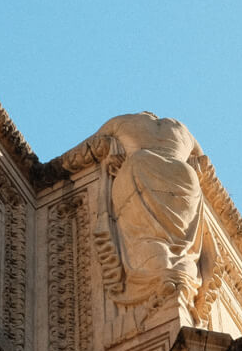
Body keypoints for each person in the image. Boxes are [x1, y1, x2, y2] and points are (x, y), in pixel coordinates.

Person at [61, 112, 206, 309]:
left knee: (146, 239)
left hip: (141, 167)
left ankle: (161, 280)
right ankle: (180, 280)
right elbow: (204, 161)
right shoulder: (181, 128)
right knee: (181, 247)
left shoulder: (122, 122)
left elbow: (81, 153)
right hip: (185, 176)